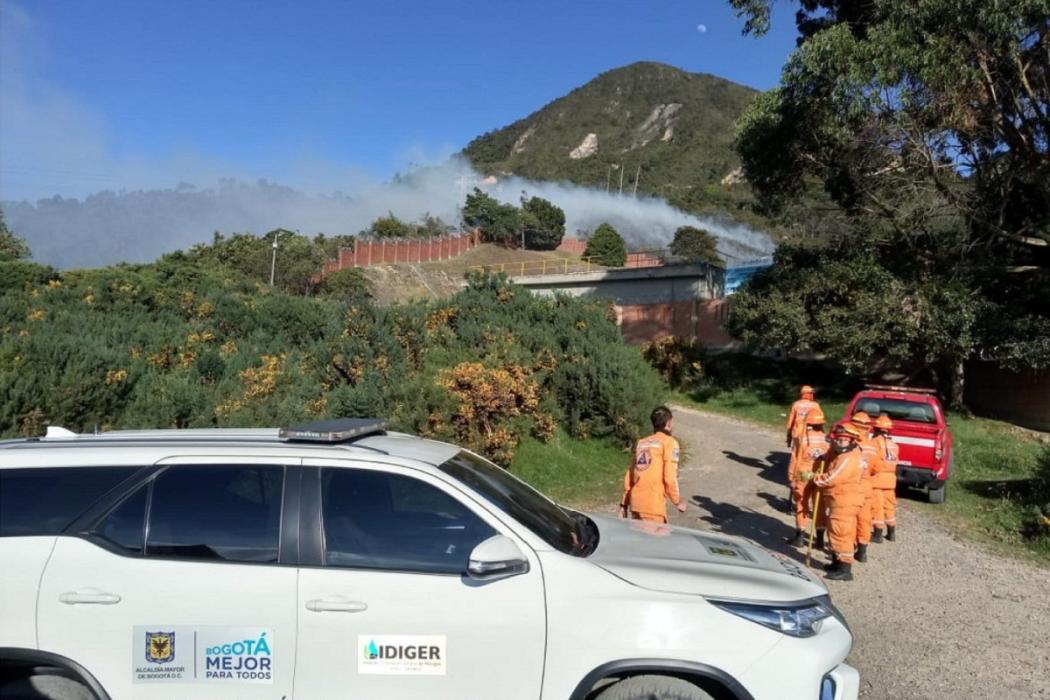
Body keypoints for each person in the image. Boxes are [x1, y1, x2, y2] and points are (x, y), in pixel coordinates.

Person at [800, 422, 865, 581]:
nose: (839, 442)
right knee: (835, 532)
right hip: (839, 500)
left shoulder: (849, 458)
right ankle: (837, 562)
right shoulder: (844, 454)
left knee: (842, 532)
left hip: (845, 501)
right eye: (838, 439)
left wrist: (813, 478)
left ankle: (845, 569)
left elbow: (832, 478)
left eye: (843, 440)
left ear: (851, 440)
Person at [620, 406, 687, 523]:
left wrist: (624, 504)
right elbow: (669, 477)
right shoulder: (669, 443)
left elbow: (630, 475)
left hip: (636, 505)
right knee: (656, 540)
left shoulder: (642, 443)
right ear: (669, 423)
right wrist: (677, 500)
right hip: (653, 506)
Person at [785, 407, 830, 546]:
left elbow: (795, 459)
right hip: (820, 475)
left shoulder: (801, 439)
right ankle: (820, 539)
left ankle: (799, 536)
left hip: (803, 475)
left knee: (802, 504)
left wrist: (791, 478)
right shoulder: (827, 440)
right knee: (820, 506)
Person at [850, 411, 878, 563]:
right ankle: (862, 552)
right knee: (864, 520)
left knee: (849, 519)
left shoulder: (850, 444)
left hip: (852, 487)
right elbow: (877, 468)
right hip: (867, 488)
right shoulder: (873, 447)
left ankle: (848, 549)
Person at [870, 414, 900, 542]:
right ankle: (891, 532)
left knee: (878, 507)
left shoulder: (874, 443)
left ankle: (877, 534)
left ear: (876, 429)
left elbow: (873, 463)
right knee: (889, 506)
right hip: (890, 480)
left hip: (877, 480)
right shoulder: (894, 445)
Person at [786, 385, 821, 477]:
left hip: (797, 432)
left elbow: (790, 422)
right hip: (810, 433)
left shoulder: (796, 404)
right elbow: (819, 420)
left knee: (796, 454)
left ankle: (792, 475)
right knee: (808, 455)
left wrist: (788, 437)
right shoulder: (815, 405)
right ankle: (807, 475)